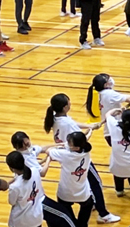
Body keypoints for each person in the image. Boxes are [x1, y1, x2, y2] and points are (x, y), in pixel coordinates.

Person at [43, 93, 120, 224]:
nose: (70, 104)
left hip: (67, 156)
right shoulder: (66, 123)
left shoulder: (56, 118)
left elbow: (73, 124)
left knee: (87, 183)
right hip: (77, 157)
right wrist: (90, 130)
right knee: (96, 183)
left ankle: (91, 206)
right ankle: (103, 213)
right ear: (65, 106)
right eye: (68, 102)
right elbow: (81, 137)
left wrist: (89, 125)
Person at [85, 74, 130, 179]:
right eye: (109, 79)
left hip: (114, 130)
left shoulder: (101, 94)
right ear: (106, 84)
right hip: (115, 131)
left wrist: (119, 109)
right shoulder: (109, 93)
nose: (112, 80)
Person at [4, 151, 76, 227]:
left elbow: (12, 202)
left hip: (21, 220)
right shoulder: (34, 171)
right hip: (36, 218)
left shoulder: (14, 187)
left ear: (12, 168)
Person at [46, 132, 95, 227]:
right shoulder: (86, 151)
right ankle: (82, 224)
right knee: (88, 205)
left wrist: (59, 146)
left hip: (65, 193)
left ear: (76, 147)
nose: (67, 143)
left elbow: (48, 151)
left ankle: (74, 224)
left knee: (66, 212)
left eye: (69, 143)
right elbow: (85, 139)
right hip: (82, 192)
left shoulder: (65, 154)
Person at [103, 108, 130, 196]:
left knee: (118, 174)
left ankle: (119, 190)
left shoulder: (114, 126)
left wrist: (116, 110)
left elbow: (107, 115)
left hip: (118, 165)